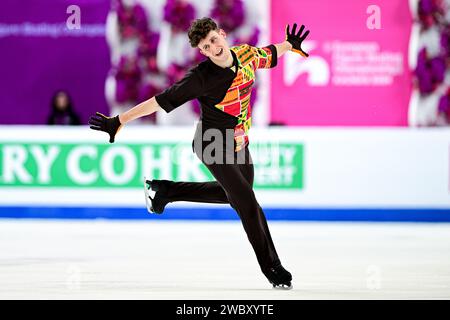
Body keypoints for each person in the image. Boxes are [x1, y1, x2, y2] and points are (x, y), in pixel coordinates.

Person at [89, 17, 309, 289]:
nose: (213, 48)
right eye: (206, 46)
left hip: (239, 141)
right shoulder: (200, 78)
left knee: (236, 195)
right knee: (248, 203)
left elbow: (269, 53)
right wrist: (119, 120)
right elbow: (160, 100)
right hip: (212, 141)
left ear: (223, 34)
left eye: (214, 40)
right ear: (202, 52)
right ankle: (273, 269)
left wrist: (289, 44)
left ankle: (165, 191)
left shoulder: (245, 54)